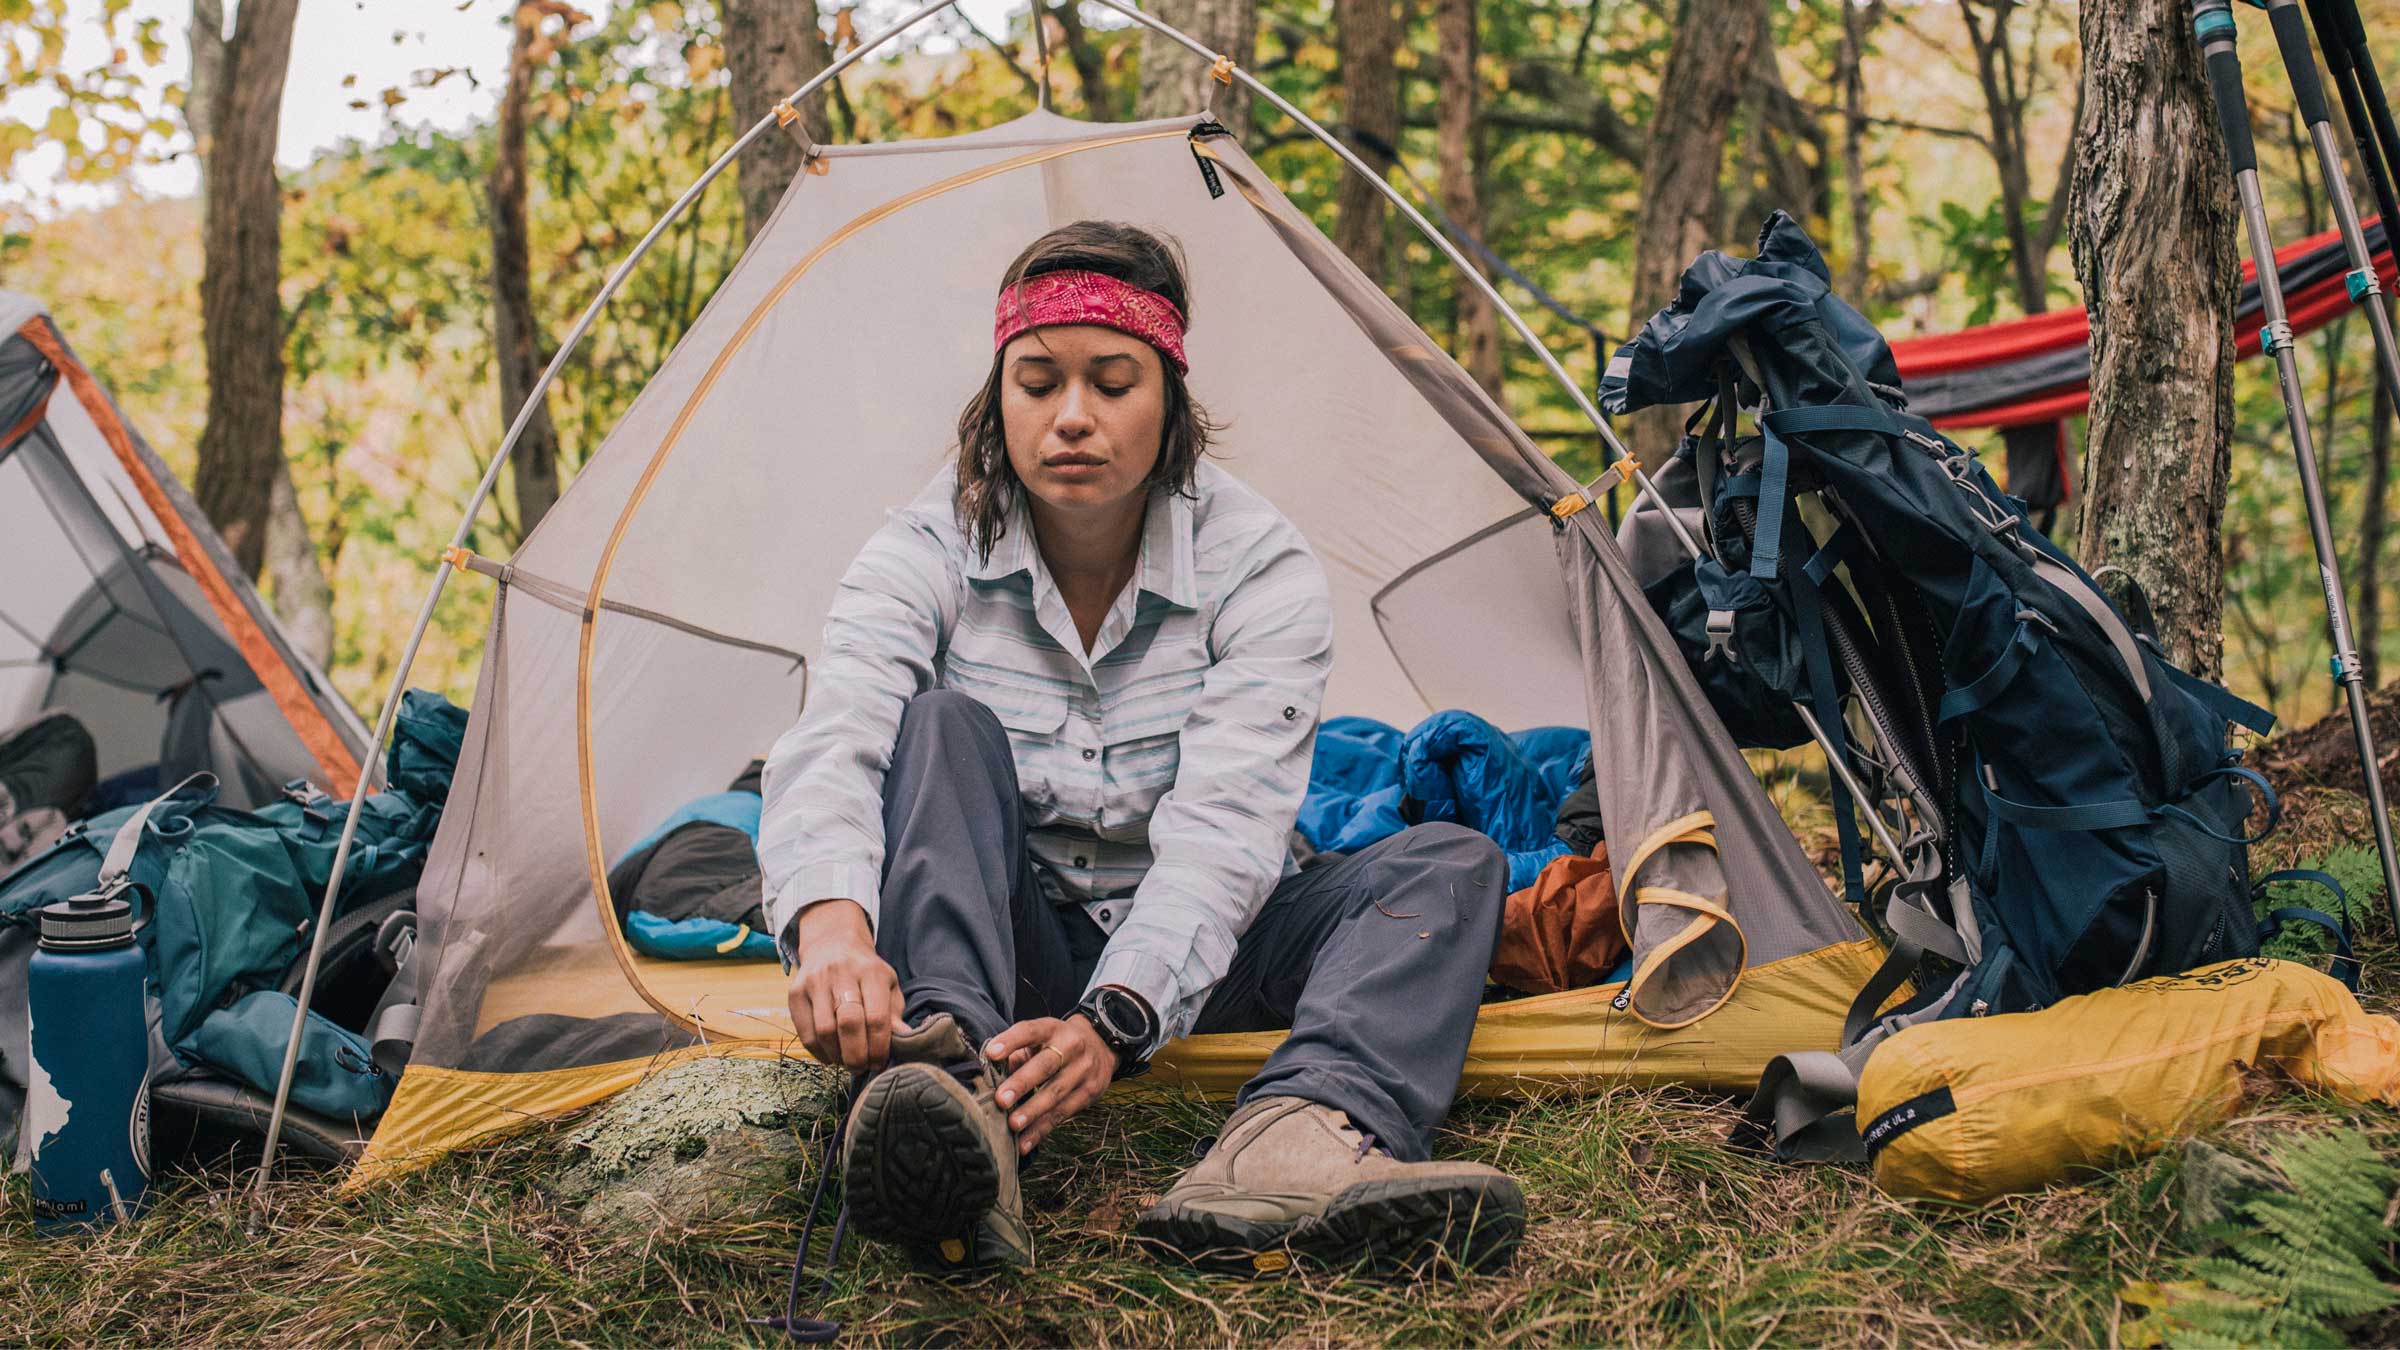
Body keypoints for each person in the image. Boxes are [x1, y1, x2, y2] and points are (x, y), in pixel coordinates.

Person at [757, 219, 1521, 1277]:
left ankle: (1298, 1142)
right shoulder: (925, 545)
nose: (1073, 417)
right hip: (1006, 940)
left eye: (1113, 382)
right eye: (1039, 382)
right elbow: (839, 725)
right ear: (998, 400)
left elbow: (1229, 827)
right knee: (937, 725)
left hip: (1199, 950)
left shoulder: (1258, 566)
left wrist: (1118, 1019)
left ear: (1170, 406)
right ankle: (956, 1098)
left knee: (1451, 862)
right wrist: (833, 931)